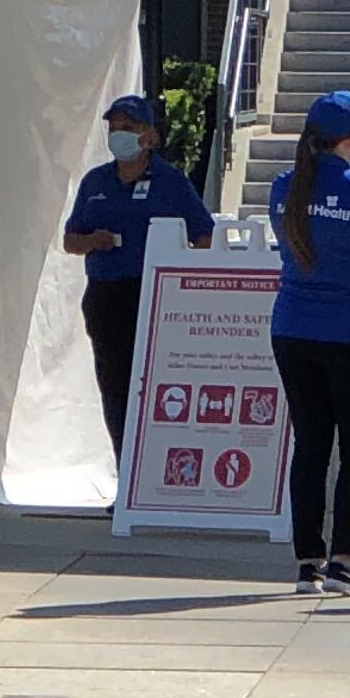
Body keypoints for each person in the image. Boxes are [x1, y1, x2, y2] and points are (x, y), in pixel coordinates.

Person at [267, 86, 350, 597]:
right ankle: (346, 558)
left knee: (311, 444)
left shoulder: (284, 187)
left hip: (293, 329)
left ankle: (308, 560)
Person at [62, 94, 216, 445]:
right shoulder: (95, 182)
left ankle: (156, 473)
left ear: (149, 136)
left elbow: (204, 235)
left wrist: (184, 272)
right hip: (107, 295)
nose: (119, 135)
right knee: (115, 389)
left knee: (157, 386)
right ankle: (124, 472)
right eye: (114, 128)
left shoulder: (170, 181)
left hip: (156, 297)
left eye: (128, 128)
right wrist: (92, 242)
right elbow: (70, 241)